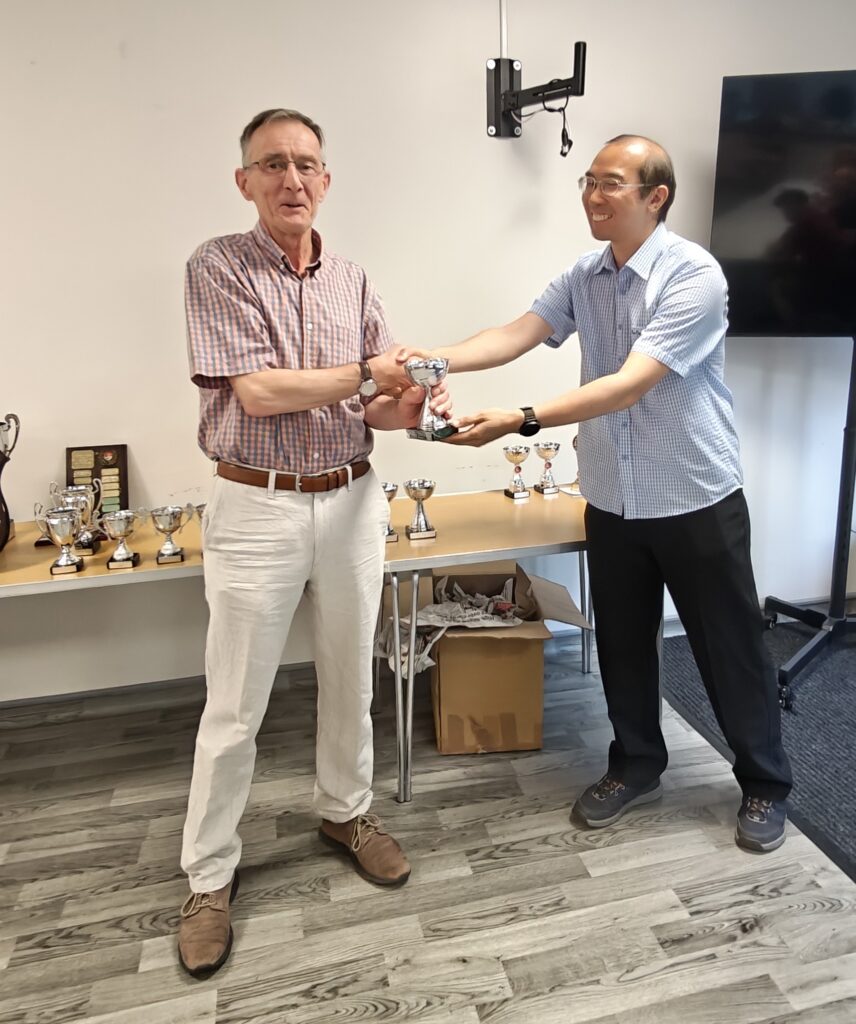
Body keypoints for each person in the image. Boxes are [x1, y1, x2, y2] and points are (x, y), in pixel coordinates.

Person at [419, 133, 792, 855]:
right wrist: (431, 360)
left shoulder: (694, 276)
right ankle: (637, 765)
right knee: (622, 644)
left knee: (730, 648)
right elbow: (516, 333)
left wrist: (519, 419)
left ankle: (765, 783)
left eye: (610, 182)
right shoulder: (584, 275)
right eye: (588, 181)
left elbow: (629, 384)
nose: (593, 195)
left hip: (694, 496)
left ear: (656, 197)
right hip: (614, 498)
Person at [178, 107, 450, 978]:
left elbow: (372, 407)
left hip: (352, 498)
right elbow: (257, 392)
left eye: (306, 164)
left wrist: (409, 402)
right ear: (245, 181)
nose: (292, 179)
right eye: (273, 164)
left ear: (326, 180)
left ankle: (346, 811)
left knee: (350, 674)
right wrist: (372, 373)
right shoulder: (217, 265)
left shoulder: (354, 280)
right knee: (235, 704)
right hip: (256, 502)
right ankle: (209, 876)